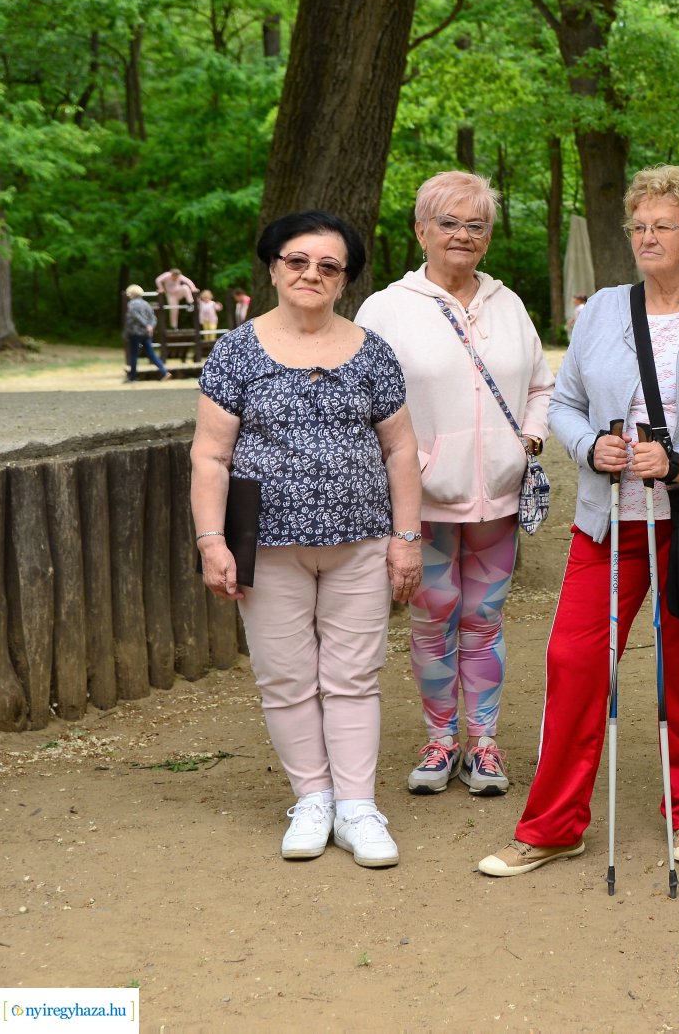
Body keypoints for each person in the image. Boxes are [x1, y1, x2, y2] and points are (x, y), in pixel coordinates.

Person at [478, 165, 679, 878]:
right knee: (573, 663)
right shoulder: (601, 309)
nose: (647, 237)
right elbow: (564, 401)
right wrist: (585, 445)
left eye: (663, 226)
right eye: (638, 226)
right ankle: (552, 825)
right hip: (608, 523)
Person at [188, 211, 423, 868]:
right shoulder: (236, 351)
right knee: (286, 676)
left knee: (353, 676)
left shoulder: (373, 350)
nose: (310, 274)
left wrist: (407, 538)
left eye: (328, 265)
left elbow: (401, 449)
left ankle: (356, 807)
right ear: (273, 267)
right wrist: (213, 541)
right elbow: (210, 456)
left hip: (362, 543)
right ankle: (312, 799)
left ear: (344, 279)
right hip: (264, 542)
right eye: (297, 261)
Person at [356, 171, 554, 800]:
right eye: (450, 223)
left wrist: (527, 441)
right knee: (431, 618)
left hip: (496, 494)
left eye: (477, 225)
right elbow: (362, 401)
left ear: (489, 237)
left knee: (485, 618)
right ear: (421, 230)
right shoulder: (387, 308)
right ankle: (441, 738)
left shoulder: (508, 304)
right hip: (424, 499)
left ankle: (485, 743)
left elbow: (543, 387)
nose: (464, 235)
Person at [122, 285, 168, 381]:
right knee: (151, 353)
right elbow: (153, 318)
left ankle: (132, 376)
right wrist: (150, 326)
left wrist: (145, 325)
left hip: (135, 332)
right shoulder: (146, 304)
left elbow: (135, 316)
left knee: (133, 354)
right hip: (146, 333)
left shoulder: (131, 304)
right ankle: (164, 372)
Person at [156, 266, 197, 330]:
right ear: (171, 274)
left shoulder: (180, 276)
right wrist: (161, 288)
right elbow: (158, 280)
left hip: (178, 292)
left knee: (185, 287)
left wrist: (193, 288)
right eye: (174, 277)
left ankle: (190, 303)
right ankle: (174, 326)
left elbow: (188, 281)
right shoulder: (166, 275)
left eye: (177, 277)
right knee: (174, 310)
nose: (175, 278)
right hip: (171, 295)